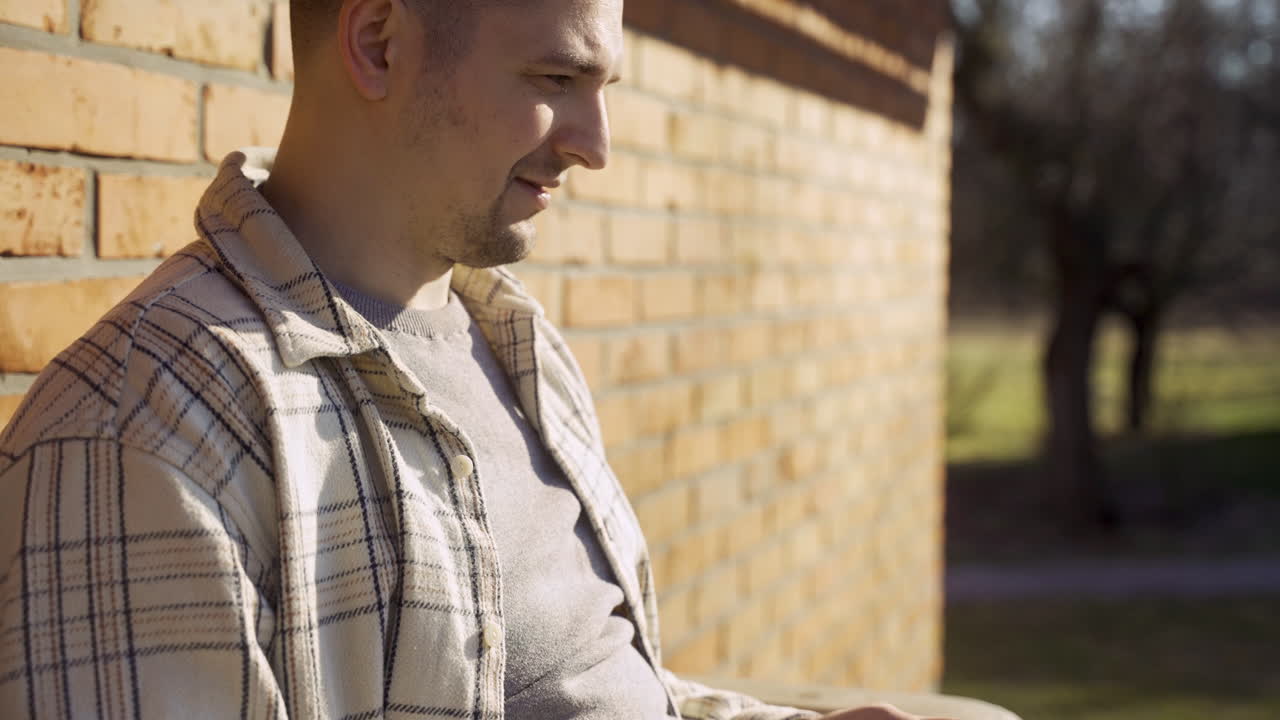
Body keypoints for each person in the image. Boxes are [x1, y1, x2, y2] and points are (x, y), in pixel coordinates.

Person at [0, 1, 961, 718]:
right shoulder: (139, 437)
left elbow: (571, 686)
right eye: (556, 82)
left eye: (602, 89)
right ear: (379, 43)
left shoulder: (508, 341)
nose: (596, 146)